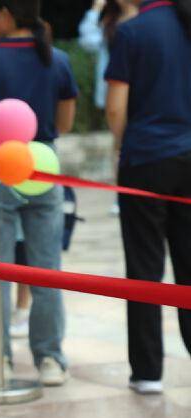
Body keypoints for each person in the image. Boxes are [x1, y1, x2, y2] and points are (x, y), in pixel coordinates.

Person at [0, 0, 78, 386]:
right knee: (48, 271)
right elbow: (65, 122)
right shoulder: (57, 59)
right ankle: (50, 359)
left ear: (5, 14)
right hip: (42, 168)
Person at [104, 0, 191, 394]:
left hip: (147, 159)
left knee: (144, 266)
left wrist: (123, 145)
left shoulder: (133, 31)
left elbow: (116, 107)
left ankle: (148, 371)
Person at [79, 0, 138, 215]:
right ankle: (122, 193)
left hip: (141, 91)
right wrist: (95, 10)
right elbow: (88, 41)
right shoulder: (110, 21)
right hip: (115, 92)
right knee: (118, 145)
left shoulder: (145, 19)